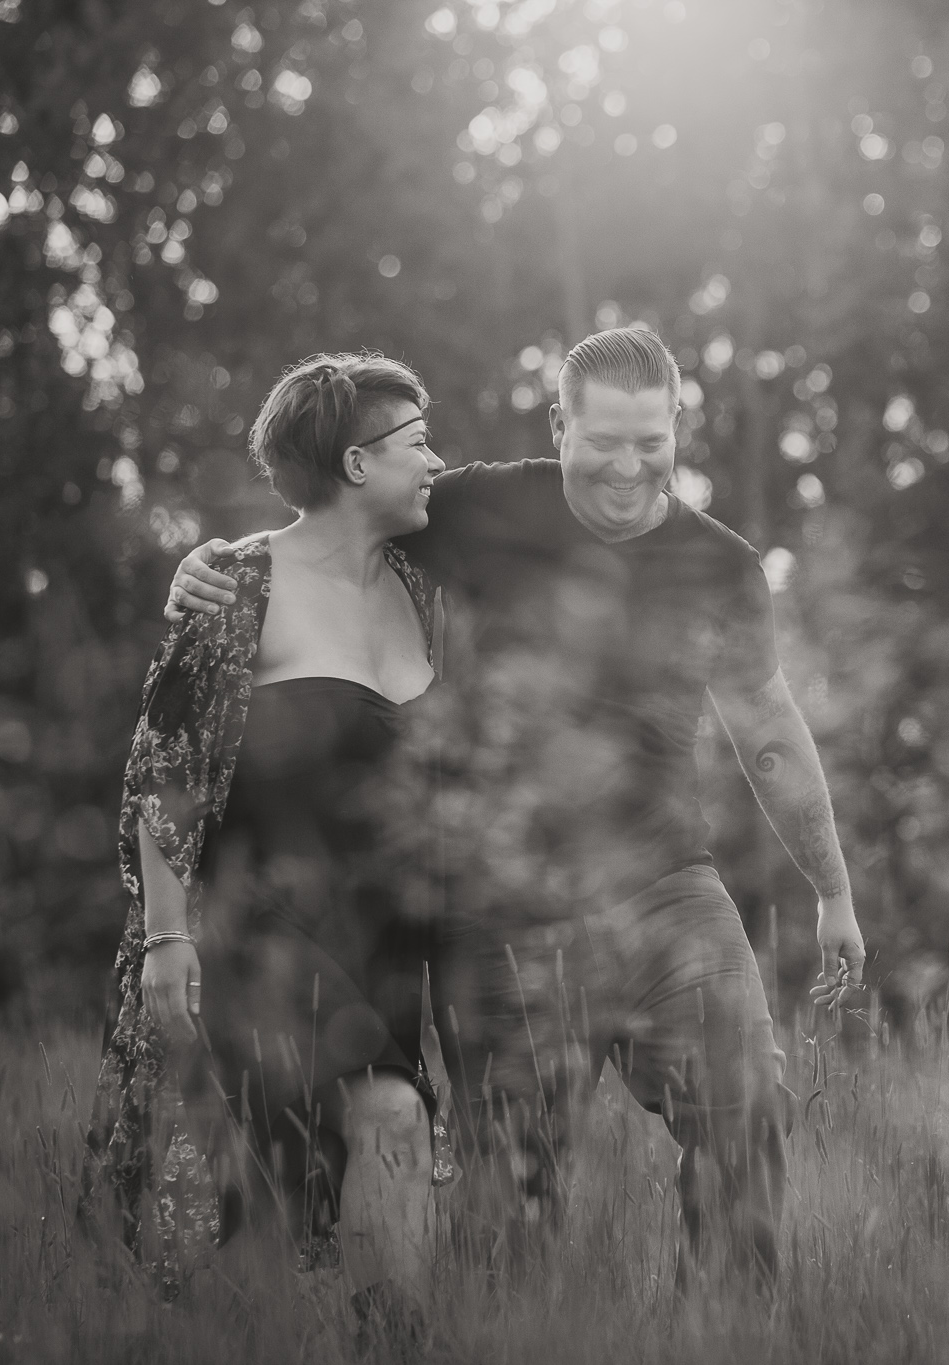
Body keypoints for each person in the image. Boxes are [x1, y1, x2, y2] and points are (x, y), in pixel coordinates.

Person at [163, 325, 866, 1285]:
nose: (628, 466)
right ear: (560, 426)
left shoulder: (721, 566)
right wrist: (221, 561)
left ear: (677, 429)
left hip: (668, 889)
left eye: (651, 441)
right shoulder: (478, 505)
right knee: (512, 1187)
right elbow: (335, 521)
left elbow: (769, 729)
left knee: (746, 1103)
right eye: (604, 440)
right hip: (502, 908)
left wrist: (832, 890)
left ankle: (728, 1332)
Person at [84, 353, 452, 1331]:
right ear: (357, 462)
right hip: (260, 927)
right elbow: (165, 764)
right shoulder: (239, 585)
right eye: (420, 444)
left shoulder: (425, 590)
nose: (438, 464)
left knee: (321, 1183)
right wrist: (166, 938)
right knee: (388, 1123)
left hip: (382, 941)